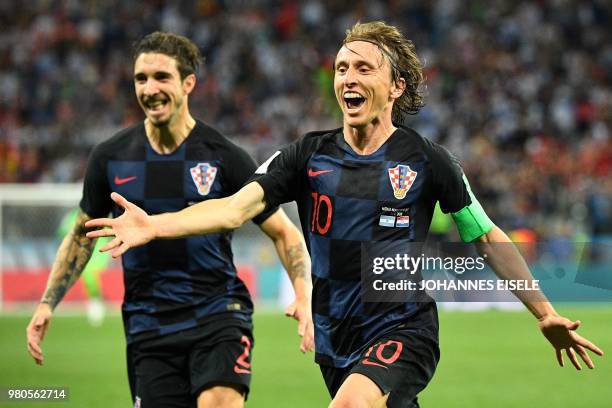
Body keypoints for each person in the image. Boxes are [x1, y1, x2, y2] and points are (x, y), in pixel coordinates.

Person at [84, 22, 603, 407]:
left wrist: (544, 312)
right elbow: (232, 209)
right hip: (336, 338)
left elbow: (485, 236)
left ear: (396, 87)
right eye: (340, 68)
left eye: (363, 67)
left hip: (403, 325)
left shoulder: (428, 160)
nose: (347, 78)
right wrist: (156, 224)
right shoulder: (305, 156)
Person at [26, 32, 314, 408]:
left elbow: (283, 233)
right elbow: (83, 235)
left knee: (219, 402)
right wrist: (48, 302)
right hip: (149, 324)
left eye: (161, 77)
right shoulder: (111, 157)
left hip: (218, 314)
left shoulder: (224, 156)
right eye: (140, 79)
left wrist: (304, 293)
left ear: (188, 82)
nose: (149, 88)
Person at [57, 207, 110, 326]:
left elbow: (111, 229)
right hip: (82, 250)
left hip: (98, 251)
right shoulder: (72, 216)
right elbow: (62, 231)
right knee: (88, 276)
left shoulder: (100, 213)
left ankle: (96, 303)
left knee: (91, 275)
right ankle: (95, 302)